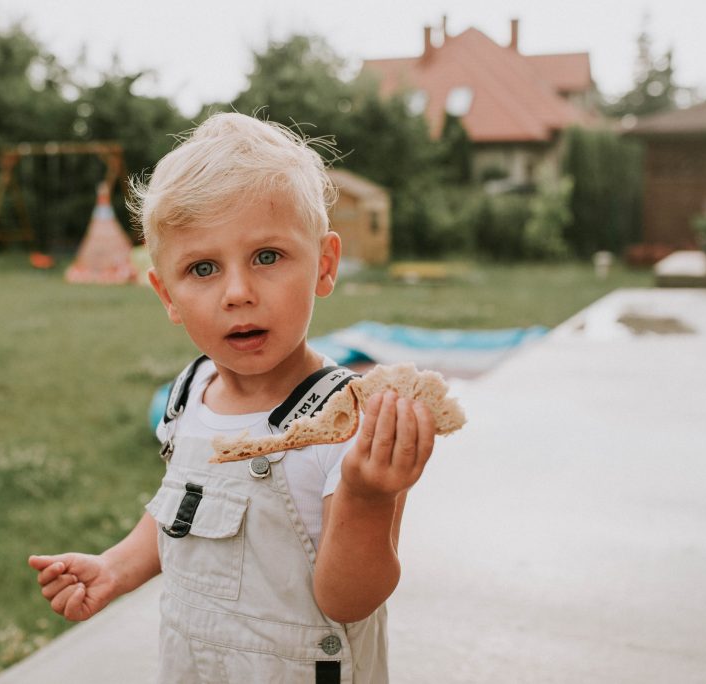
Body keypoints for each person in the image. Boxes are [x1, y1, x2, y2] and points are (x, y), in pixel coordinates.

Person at [28, 112, 438, 682]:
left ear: (324, 264)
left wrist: (368, 497)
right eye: (203, 268)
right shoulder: (190, 394)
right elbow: (181, 507)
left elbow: (350, 601)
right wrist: (116, 566)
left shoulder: (345, 421)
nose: (239, 293)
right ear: (167, 294)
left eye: (267, 257)